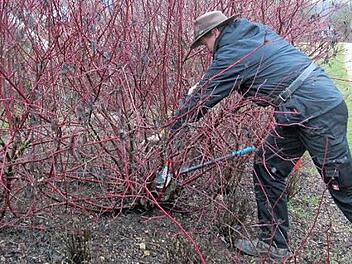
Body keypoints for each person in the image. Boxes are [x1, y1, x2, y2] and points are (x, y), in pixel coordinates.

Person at [166, 10, 352, 261]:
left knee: (342, 185)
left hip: (317, 111)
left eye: (204, 42)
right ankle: (274, 245)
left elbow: (205, 97)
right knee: (267, 165)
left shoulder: (232, 51)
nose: (206, 49)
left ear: (215, 32)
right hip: (299, 109)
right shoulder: (251, 35)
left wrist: (171, 129)